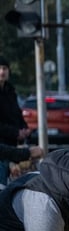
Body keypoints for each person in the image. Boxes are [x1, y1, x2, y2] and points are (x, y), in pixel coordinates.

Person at [0, 57, 31, 185]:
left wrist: (24, 128)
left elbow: (16, 113)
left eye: (4, 68)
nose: (2, 72)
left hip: (11, 146)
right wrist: (16, 133)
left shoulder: (10, 91)